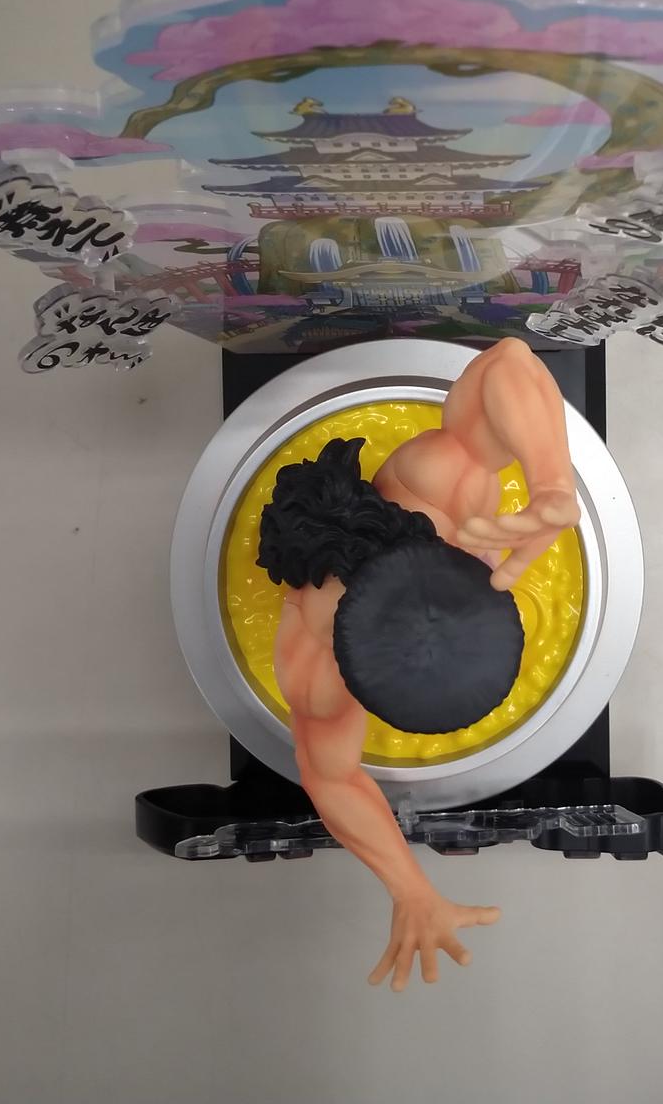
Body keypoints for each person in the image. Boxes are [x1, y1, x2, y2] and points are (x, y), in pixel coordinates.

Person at [260, 338, 580, 991]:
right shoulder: (316, 670)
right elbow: (330, 778)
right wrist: (409, 888)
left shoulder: (438, 484)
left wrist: (554, 486)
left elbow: (511, 359)